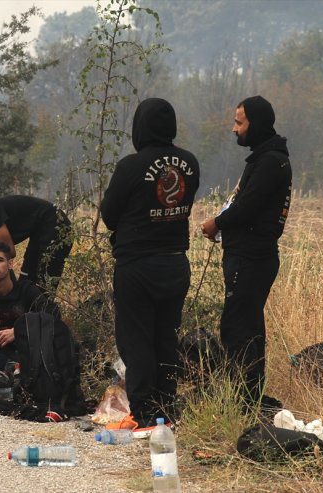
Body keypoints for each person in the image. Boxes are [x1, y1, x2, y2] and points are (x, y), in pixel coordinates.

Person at [101, 98, 200, 431]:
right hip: (175, 263)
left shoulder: (130, 166)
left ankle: (144, 414)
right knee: (166, 338)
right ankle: (165, 411)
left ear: (139, 126)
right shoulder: (190, 162)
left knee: (137, 339)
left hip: (137, 265)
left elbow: (109, 214)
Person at [201, 96, 292, 412]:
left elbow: (249, 205)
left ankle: (240, 401)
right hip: (251, 256)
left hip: (252, 258)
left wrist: (217, 223)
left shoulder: (270, 162)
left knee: (238, 329)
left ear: (257, 124)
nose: (234, 129)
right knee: (248, 327)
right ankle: (248, 398)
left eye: (239, 122)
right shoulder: (267, 158)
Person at [0, 195, 72, 292]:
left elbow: (8, 251)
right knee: (26, 280)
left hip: (56, 224)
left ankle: (43, 315)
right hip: (38, 231)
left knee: (43, 281)